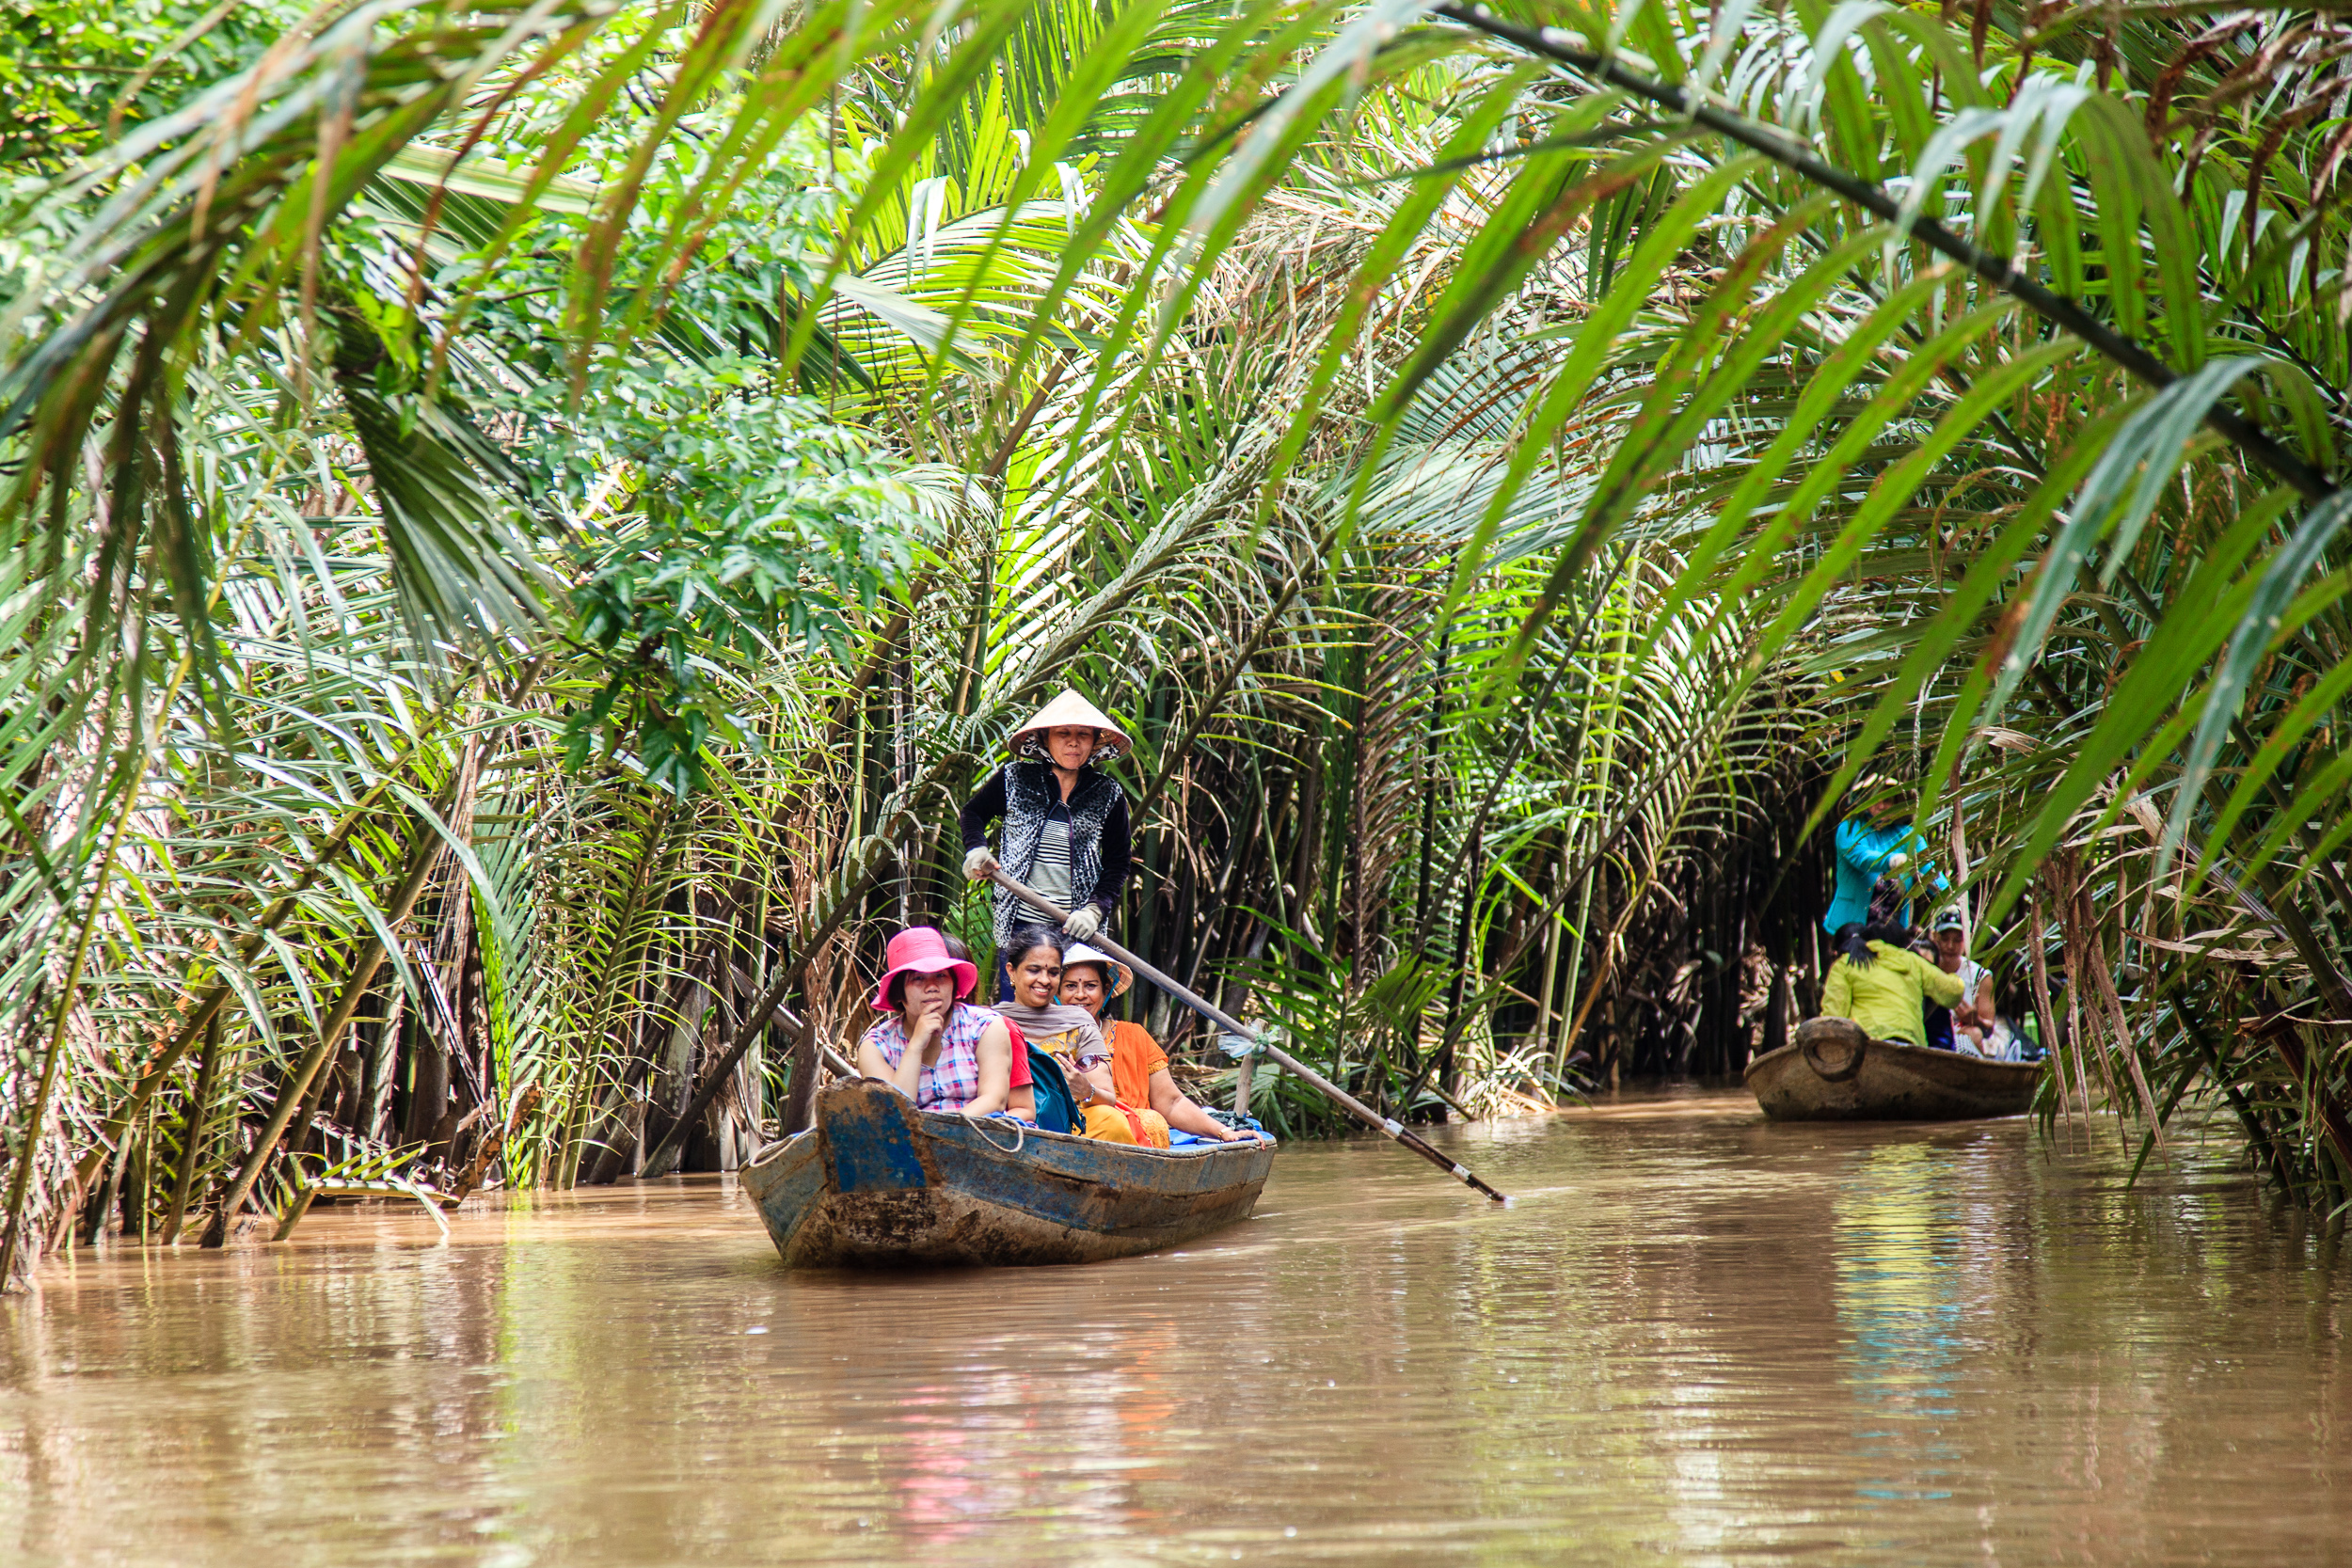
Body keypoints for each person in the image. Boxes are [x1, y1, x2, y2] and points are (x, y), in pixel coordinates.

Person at [961, 689, 1135, 991]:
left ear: (1094, 741)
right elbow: (973, 813)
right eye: (1063, 733)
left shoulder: (1108, 793)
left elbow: (1118, 863)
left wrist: (1093, 910)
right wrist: (976, 849)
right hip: (1020, 926)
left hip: (1076, 929)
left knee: (1074, 1017)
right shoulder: (1015, 779)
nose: (1073, 742)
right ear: (1044, 738)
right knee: (1021, 1019)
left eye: (1083, 734)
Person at [1058, 943, 1263, 1144]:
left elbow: (1172, 1103)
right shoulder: (1042, 1038)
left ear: (1106, 991)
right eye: (1070, 986)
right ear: (1056, 993)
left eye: (1090, 986)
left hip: (1130, 1139)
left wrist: (1223, 1131)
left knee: (1151, 1121)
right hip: (1064, 1132)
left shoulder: (1133, 1036)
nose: (1080, 995)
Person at [992, 926, 1166, 1145]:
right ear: (1011, 971)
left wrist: (1086, 1089)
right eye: (1034, 970)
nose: (1045, 980)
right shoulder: (991, 1021)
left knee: (1111, 1122)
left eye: (1053, 972)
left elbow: (1107, 1097)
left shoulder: (1079, 1023)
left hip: (1072, 1125)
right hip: (1009, 1122)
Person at [856, 927, 1033, 1117]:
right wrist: (915, 1046)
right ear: (899, 993)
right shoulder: (875, 1046)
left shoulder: (985, 1026)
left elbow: (994, 1099)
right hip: (909, 1142)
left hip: (979, 1134)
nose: (932, 987)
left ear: (953, 983)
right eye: (918, 978)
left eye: (941, 976)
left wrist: (946, 1134)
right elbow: (893, 1115)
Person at [1821, 881, 1963, 1049]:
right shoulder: (1911, 961)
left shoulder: (1846, 964)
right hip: (1910, 1041)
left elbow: (1834, 1018)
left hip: (1867, 1042)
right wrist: (1954, 976)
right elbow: (1953, 991)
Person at [1825, 775, 1939, 933]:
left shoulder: (1910, 837)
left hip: (1893, 931)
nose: (1881, 806)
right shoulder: (1849, 829)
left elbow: (1929, 872)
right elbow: (1862, 858)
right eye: (1875, 800)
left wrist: (1949, 896)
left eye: (1887, 801)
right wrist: (1892, 861)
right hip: (1850, 930)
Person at [1931, 909, 2010, 1057]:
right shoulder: (1926, 968)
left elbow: (1988, 1029)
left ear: (1967, 939)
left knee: (1973, 1034)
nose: (1950, 946)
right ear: (1935, 937)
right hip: (1933, 1037)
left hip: (1963, 1041)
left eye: (1957, 940)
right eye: (1945, 939)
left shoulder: (1979, 976)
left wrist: (1975, 1020)